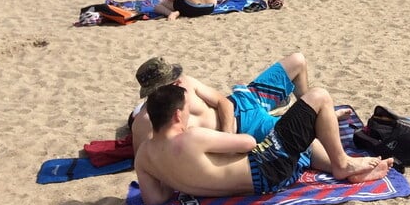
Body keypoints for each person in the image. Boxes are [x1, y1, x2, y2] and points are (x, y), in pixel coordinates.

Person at [135, 83, 392, 205]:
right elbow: (247, 142)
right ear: (177, 115)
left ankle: (340, 162)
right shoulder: (191, 137)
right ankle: (342, 164)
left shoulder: (144, 155)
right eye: (186, 110)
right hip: (271, 169)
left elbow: (155, 199)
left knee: (297, 131)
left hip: (258, 182)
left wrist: (174, 174)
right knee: (319, 96)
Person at [130, 54, 317, 151]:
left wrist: (227, 135)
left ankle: (306, 107)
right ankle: (310, 113)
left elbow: (223, 102)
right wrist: (229, 142)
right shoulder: (146, 122)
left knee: (297, 61)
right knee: (308, 136)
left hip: (242, 101)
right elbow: (149, 162)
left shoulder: (186, 83)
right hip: (247, 125)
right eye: (172, 80)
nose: (179, 80)